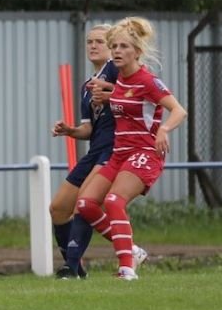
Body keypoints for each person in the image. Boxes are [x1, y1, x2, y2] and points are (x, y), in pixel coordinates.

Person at [73, 17, 187, 281]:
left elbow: (179, 111)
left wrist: (163, 129)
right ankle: (132, 250)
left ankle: (126, 269)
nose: (116, 51)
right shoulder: (120, 81)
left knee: (114, 201)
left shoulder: (148, 80)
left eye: (123, 46)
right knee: (86, 204)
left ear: (137, 51)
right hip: (119, 154)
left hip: (145, 154)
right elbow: (125, 101)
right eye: (114, 46)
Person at [49, 25, 121, 278]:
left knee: (84, 203)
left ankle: (70, 268)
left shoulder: (116, 70)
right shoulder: (87, 86)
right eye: (89, 41)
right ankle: (77, 267)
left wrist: (112, 94)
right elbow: (88, 129)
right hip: (95, 150)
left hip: (115, 149)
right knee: (57, 208)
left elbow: (137, 95)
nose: (92, 46)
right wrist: (69, 130)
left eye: (99, 41)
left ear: (112, 45)